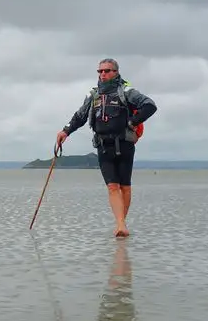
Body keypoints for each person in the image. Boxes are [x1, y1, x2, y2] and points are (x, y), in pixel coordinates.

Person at [56, 58, 157, 238]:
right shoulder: (93, 95)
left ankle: (121, 224)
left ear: (116, 72)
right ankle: (121, 225)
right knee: (112, 186)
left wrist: (134, 121)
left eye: (107, 70)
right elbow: (80, 116)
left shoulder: (126, 91)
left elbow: (150, 105)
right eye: (100, 71)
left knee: (124, 186)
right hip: (103, 146)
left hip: (125, 144)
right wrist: (65, 131)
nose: (103, 74)